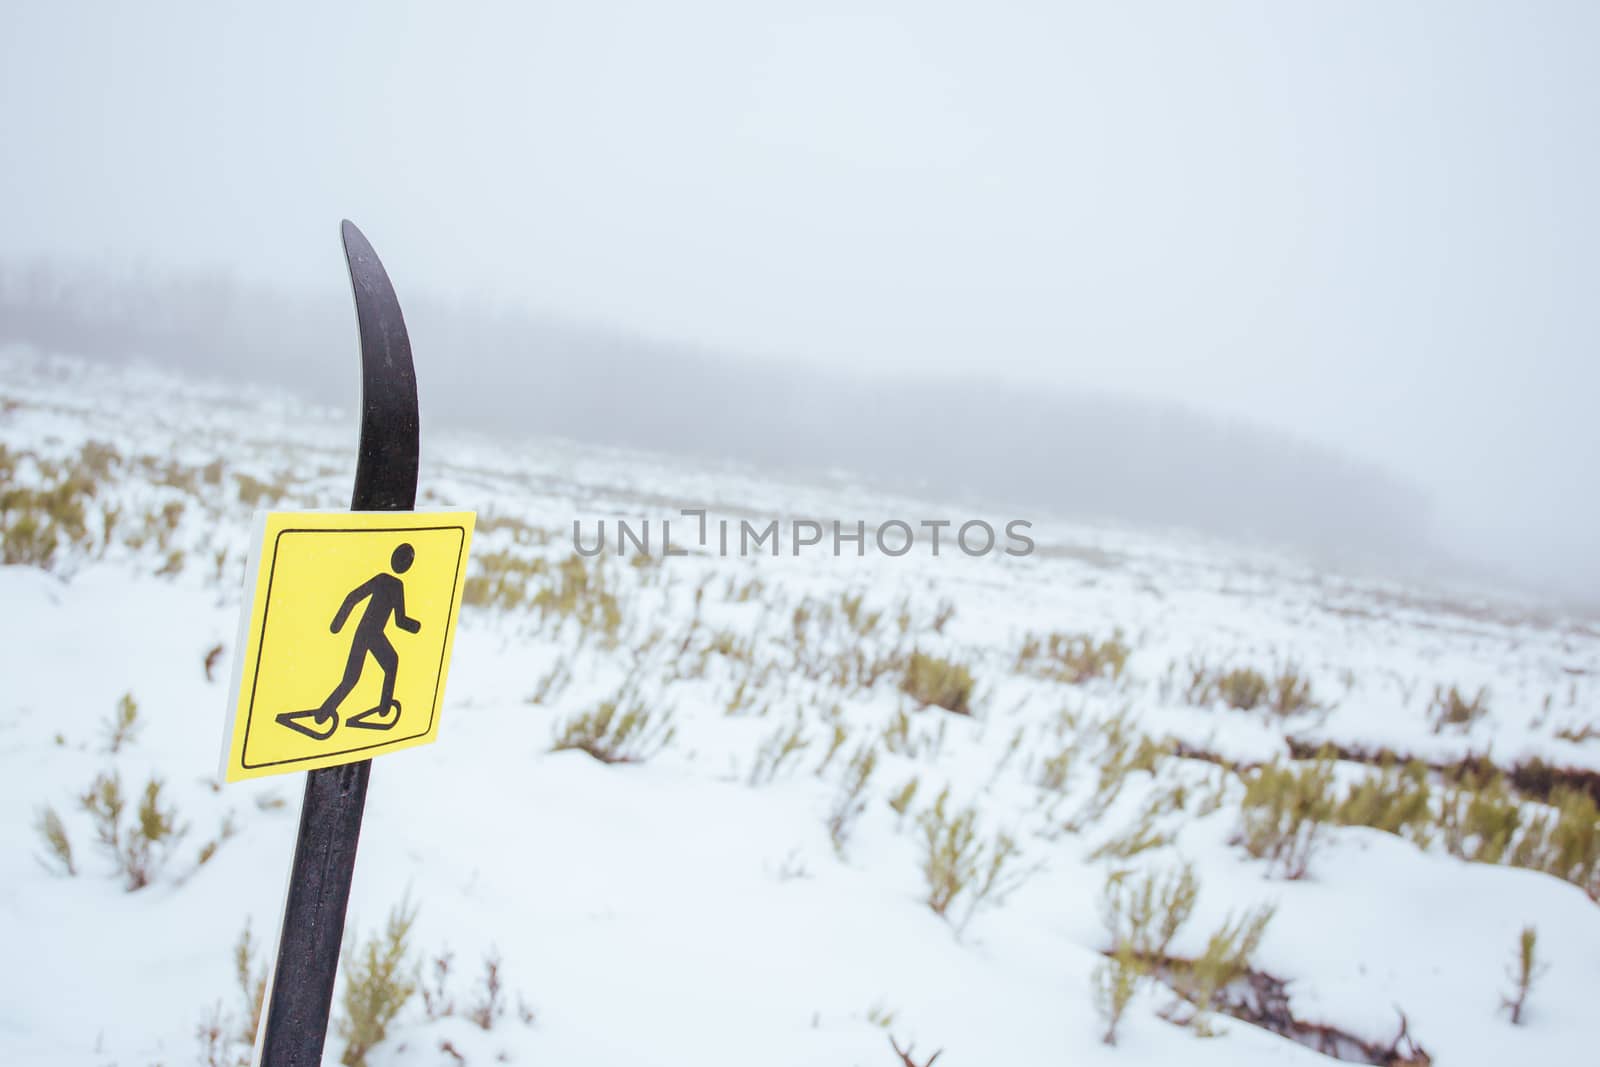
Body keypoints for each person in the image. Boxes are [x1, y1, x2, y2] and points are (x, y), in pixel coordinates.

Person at [277, 542, 422, 740]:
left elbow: (397, 619)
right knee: (359, 676)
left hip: (369, 632)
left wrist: (415, 626)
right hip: (368, 632)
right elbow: (354, 598)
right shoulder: (389, 583)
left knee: (378, 668)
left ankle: (379, 708)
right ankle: (327, 713)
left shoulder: (392, 583)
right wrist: (337, 624)